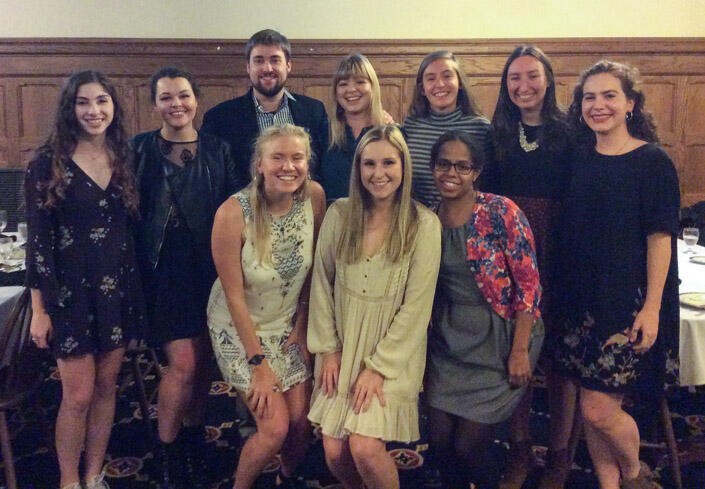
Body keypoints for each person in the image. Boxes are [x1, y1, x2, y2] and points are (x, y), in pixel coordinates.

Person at [555, 60, 680, 489]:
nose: (598, 105)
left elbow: (659, 240)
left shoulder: (653, 162)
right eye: (589, 97)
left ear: (630, 103)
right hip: (579, 302)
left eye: (610, 95)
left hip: (626, 305)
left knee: (597, 408)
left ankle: (632, 473)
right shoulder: (578, 158)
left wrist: (651, 308)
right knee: (592, 395)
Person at [26, 70, 144, 489]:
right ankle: (68, 480)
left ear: (113, 107)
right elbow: (37, 244)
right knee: (76, 396)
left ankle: (95, 474)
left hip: (117, 291)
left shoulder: (125, 155)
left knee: (107, 389)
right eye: (83, 102)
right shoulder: (46, 162)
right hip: (69, 295)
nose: (93, 111)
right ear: (70, 109)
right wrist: (39, 310)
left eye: (101, 102)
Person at [307, 125, 441, 489]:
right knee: (334, 451)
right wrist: (329, 349)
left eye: (388, 163)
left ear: (403, 166)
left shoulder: (424, 224)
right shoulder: (339, 213)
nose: (378, 173)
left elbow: (417, 308)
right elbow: (321, 284)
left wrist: (379, 369)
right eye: (369, 164)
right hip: (343, 341)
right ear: (358, 168)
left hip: (392, 351)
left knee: (364, 447)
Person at [131, 67, 239, 489]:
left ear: (197, 99)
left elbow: (235, 207)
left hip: (210, 268)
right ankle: (169, 453)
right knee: (183, 365)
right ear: (154, 104)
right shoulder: (138, 149)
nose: (177, 104)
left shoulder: (219, 149)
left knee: (205, 363)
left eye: (184, 95)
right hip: (164, 271)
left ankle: (195, 443)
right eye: (167, 97)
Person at [207, 124, 326, 489]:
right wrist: (258, 364)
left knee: (300, 422)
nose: (287, 167)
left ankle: (288, 478)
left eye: (296, 158)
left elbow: (313, 272)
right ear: (259, 164)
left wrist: (303, 326)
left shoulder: (315, 197)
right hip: (240, 327)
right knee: (273, 428)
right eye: (277, 157)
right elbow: (234, 296)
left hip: (288, 321)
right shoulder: (232, 213)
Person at [425, 130, 544, 489]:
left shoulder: (500, 211)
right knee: (440, 443)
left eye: (463, 166)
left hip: (503, 335)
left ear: (476, 171)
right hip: (450, 340)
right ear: (432, 167)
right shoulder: (427, 218)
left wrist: (520, 350)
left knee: (468, 447)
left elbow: (529, 286)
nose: (451, 172)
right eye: (444, 163)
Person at [486, 46, 574, 489]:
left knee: (559, 360)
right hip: (509, 254)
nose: (523, 86)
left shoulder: (571, 131)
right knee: (514, 353)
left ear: (548, 79)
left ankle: (558, 457)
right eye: (514, 77)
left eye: (532, 76)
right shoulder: (497, 133)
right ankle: (519, 450)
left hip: (559, 252)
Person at [202, 29, 329, 188]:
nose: (267, 68)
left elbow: (324, 170)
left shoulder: (314, 111)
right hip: (246, 210)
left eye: (275, 60)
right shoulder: (220, 118)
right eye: (259, 61)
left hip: (305, 206)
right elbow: (214, 181)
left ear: (288, 65)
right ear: (248, 67)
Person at [403, 50, 493, 207]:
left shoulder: (480, 128)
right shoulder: (411, 126)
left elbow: (490, 182)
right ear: (422, 89)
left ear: (460, 83)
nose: (440, 84)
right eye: (431, 78)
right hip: (418, 221)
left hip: (466, 221)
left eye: (447, 76)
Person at [320, 53, 393, 204]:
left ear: (373, 87)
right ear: (335, 91)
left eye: (360, 82)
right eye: (343, 84)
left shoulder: (392, 134)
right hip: (333, 221)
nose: (351, 89)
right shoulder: (323, 132)